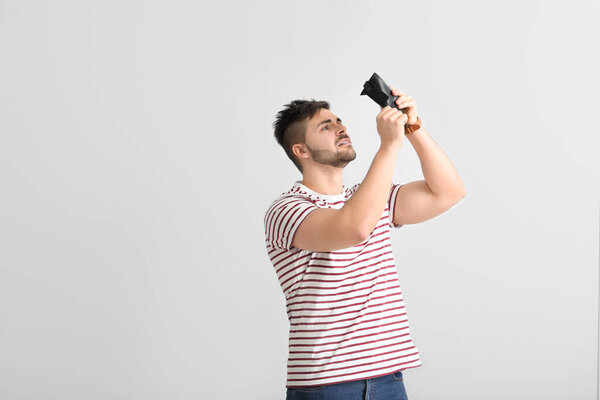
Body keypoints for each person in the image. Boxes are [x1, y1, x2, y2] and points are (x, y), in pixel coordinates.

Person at [264, 86, 466, 399]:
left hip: (388, 379)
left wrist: (413, 128)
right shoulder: (287, 209)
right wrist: (389, 146)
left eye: (339, 121)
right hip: (327, 386)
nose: (341, 128)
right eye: (326, 127)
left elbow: (448, 192)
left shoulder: (371, 198)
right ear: (301, 151)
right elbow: (354, 228)